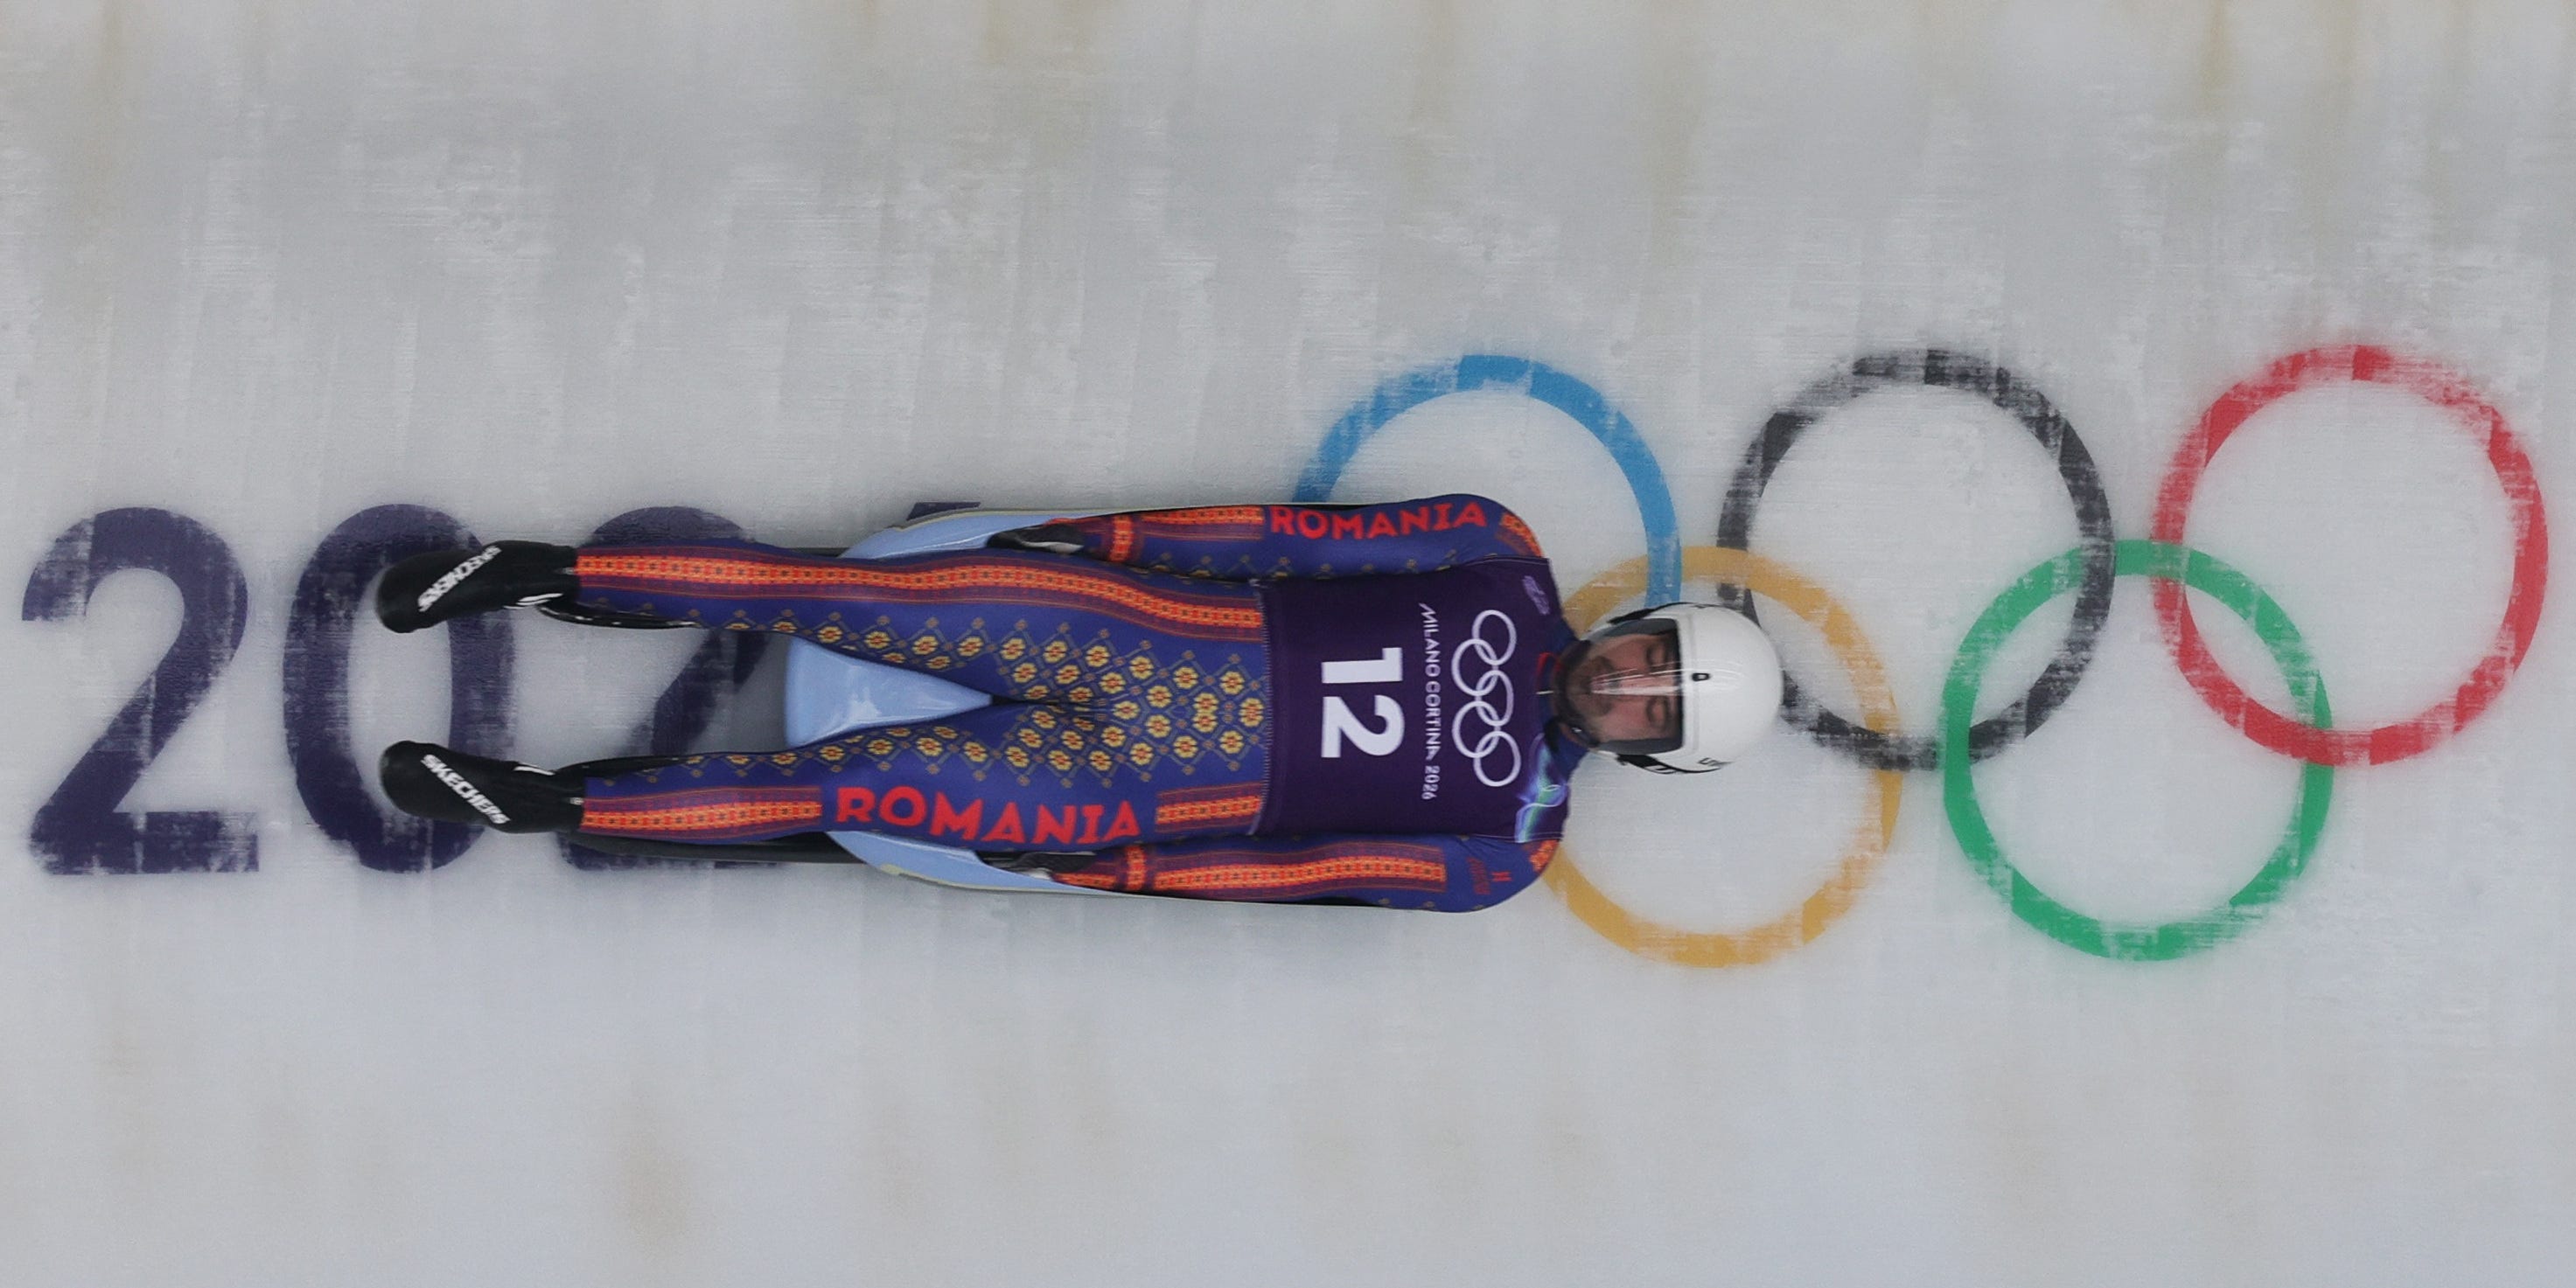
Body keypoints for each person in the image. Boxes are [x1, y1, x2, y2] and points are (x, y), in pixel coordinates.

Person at [373, 495, 1783, 911]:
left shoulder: (1506, 846)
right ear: (1641, 627)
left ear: (1649, 753)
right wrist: (1116, 538)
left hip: (1111, 793)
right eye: (1655, 661)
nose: (1631, 686)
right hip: (1128, 633)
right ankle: (538, 571)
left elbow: (1302, 870)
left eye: (1655, 712)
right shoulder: (1497, 552)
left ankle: (540, 803)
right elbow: (1289, 540)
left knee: (835, 790)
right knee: (827, 590)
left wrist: (1131, 871)